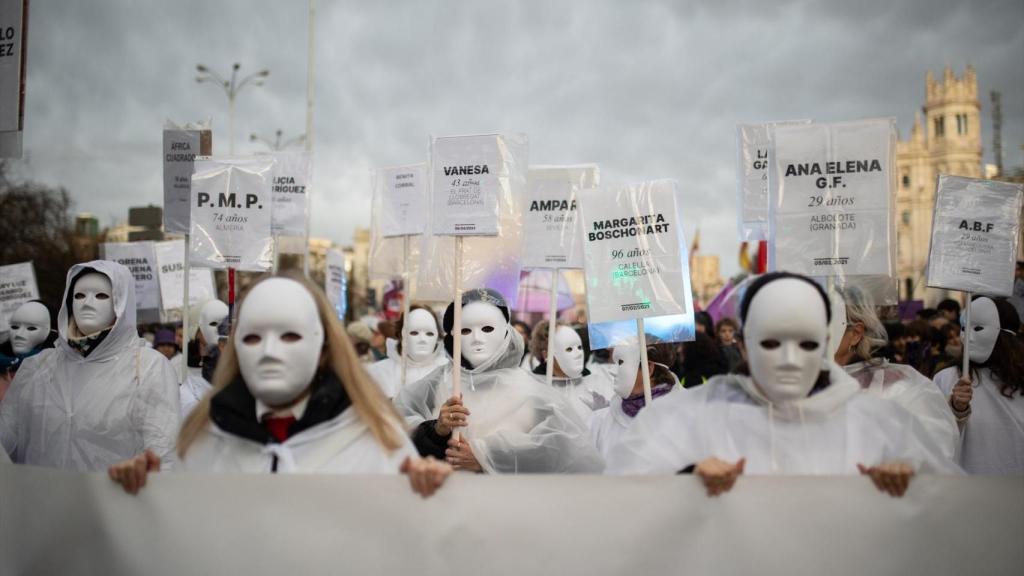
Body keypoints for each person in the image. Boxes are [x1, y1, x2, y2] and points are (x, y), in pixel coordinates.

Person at [606, 272, 960, 497]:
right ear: (743, 343)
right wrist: (685, 479)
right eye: (772, 343)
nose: (790, 359)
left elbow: (954, 516)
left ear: (825, 340)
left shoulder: (879, 426)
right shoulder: (686, 420)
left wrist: (912, 482)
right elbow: (623, 506)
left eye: (806, 344)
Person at [108, 273, 451, 498]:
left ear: (323, 349)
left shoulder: (377, 441)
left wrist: (423, 493)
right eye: (254, 337)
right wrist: (144, 496)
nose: (270, 352)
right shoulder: (202, 440)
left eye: (289, 335)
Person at [394, 288, 604, 474]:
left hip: (507, 506)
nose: (476, 338)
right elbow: (397, 428)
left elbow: (563, 452)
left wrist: (485, 457)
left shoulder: (532, 392)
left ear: (506, 331)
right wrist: (435, 431)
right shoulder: (439, 382)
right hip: (448, 501)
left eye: (487, 328)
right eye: (465, 330)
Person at [0, 261, 180, 471]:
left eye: (101, 296)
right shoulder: (39, 367)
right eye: (79, 295)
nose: (87, 303)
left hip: (115, 500)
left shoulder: (147, 368)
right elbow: (7, 436)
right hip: (43, 499)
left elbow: (163, 455)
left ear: (120, 302)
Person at [831, 288, 958, 462]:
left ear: (855, 334)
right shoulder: (794, 388)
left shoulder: (902, 388)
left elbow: (936, 453)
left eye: (823, 324)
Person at [934, 296, 1024, 474]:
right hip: (970, 489)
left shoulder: (1019, 380)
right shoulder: (946, 379)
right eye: (963, 328)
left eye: (978, 328)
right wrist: (956, 409)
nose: (966, 336)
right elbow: (934, 439)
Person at [591, 338, 681, 460]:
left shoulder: (685, 415)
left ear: (648, 368)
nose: (612, 372)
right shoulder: (601, 420)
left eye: (621, 363)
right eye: (614, 363)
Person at [527, 320, 613, 420]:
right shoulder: (534, 387)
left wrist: (603, 414)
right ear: (546, 354)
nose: (579, 353)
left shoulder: (594, 382)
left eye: (579, 347)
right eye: (569, 349)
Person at [364, 305, 448, 399]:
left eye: (429, 333)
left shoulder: (449, 372)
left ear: (437, 336)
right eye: (414, 333)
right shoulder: (380, 372)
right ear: (401, 335)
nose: (422, 339)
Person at [179, 299, 230, 418]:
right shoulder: (180, 373)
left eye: (226, 323)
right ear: (196, 331)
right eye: (214, 323)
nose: (222, 330)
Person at [0, 301, 57, 401]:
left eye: (31, 328)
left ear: (51, 332)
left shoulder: (58, 369)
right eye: (15, 327)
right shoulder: (3, 365)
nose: (19, 334)